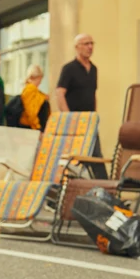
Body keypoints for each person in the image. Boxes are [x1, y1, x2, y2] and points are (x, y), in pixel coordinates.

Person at [55, 34, 107, 178]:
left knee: (96, 156)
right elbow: (59, 93)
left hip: (90, 121)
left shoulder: (94, 69)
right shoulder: (69, 68)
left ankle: (108, 192)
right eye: (86, 44)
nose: (90, 47)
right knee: (74, 158)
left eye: (91, 43)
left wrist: (95, 116)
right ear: (77, 47)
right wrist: (68, 117)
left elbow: (92, 94)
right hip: (74, 122)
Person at [18, 64, 50, 131]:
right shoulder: (30, 89)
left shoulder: (34, 90)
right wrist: (37, 128)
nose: (40, 82)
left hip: (35, 128)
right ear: (35, 77)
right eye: (40, 79)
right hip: (32, 129)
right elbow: (31, 113)